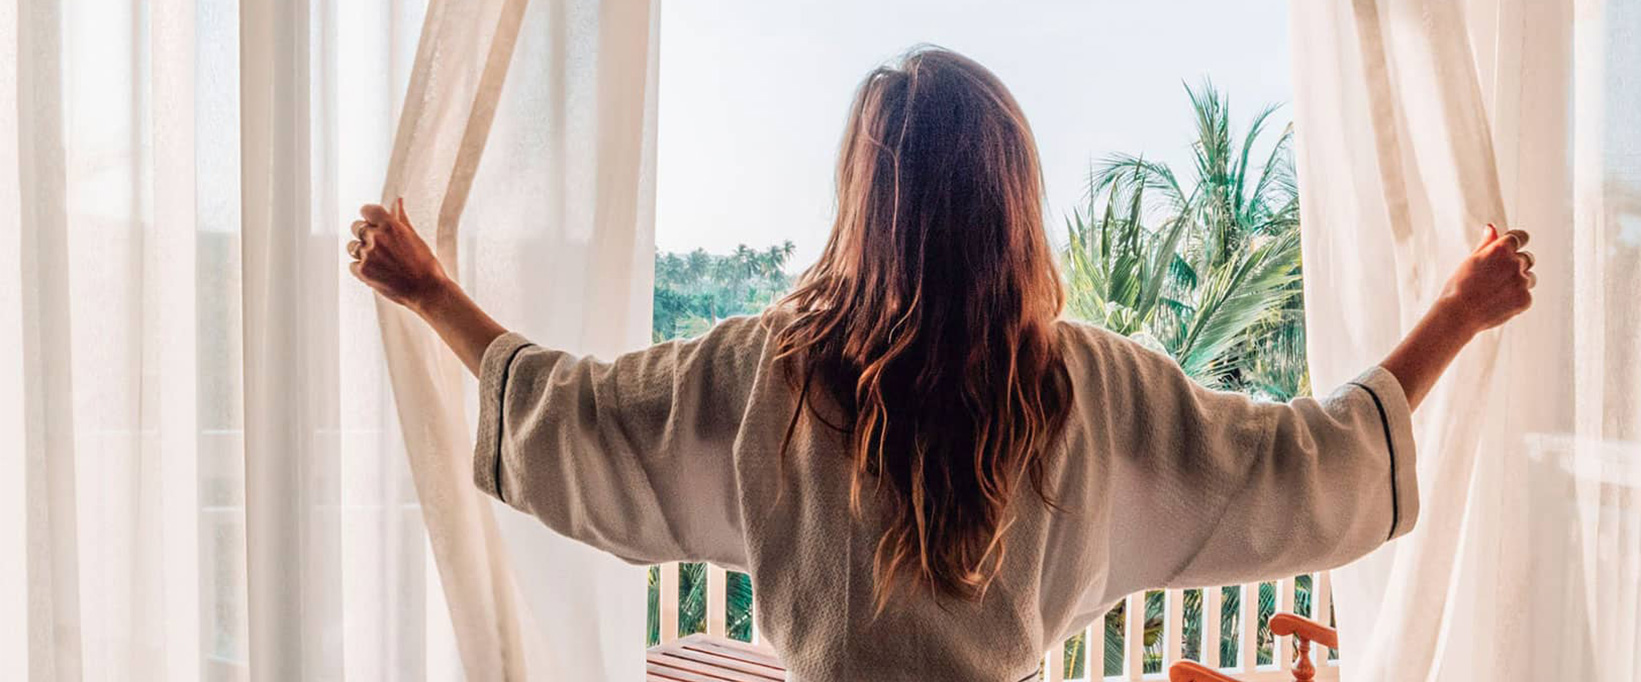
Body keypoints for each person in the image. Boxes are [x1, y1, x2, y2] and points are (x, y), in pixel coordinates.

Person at [345, 47, 1533, 681]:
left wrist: (433, 291)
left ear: (864, 201)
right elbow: (1297, 463)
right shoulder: (1087, 389)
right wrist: (1453, 313)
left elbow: (581, 417)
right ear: (1014, 204)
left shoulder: (770, 373)